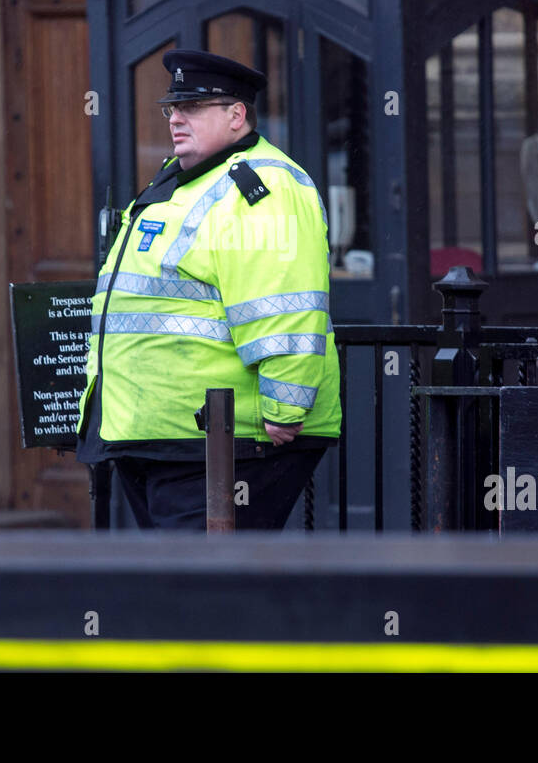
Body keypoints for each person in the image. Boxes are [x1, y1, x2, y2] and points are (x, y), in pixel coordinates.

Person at [74, 49, 341, 530]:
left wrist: (286, 405)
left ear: (237, 115)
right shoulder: (183, 181)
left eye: (192, 107)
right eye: (172, 108)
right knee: (190, 593)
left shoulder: (259, 186)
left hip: (227, 441)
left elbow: (284, 304)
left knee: (209, 593)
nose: (175, 118)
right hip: (160, 435)